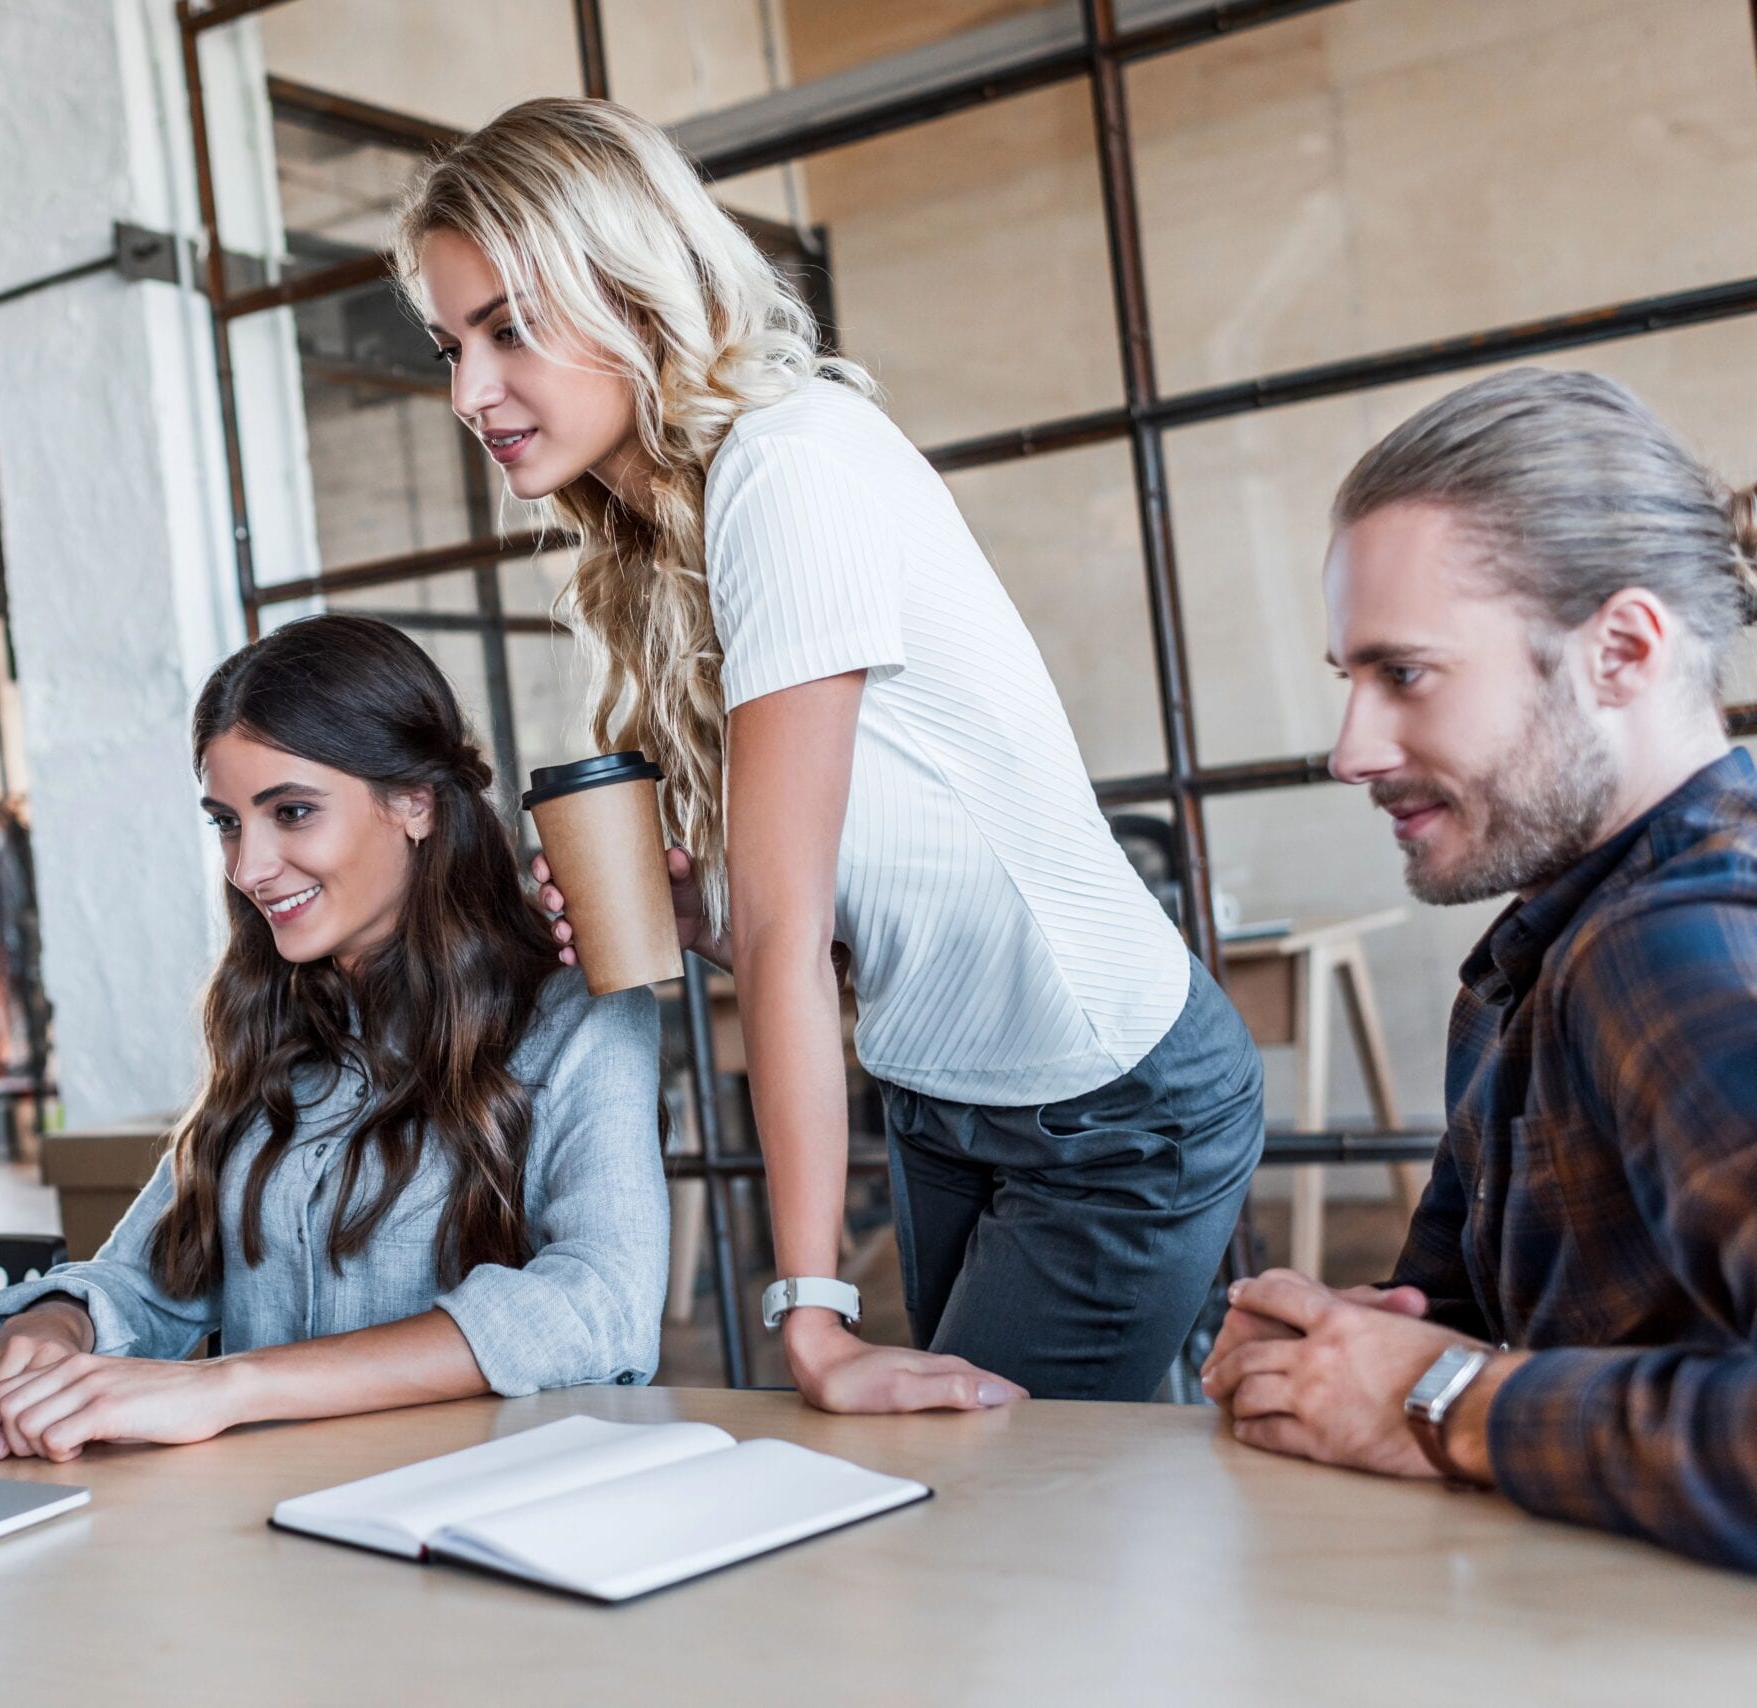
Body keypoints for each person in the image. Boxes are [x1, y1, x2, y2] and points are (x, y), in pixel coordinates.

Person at [392, 99, 1262, 1407]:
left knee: (1003, 1500)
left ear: (633, 290)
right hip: (945, 1093)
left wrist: (811, 1316)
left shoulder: (787, 466)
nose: (468, 392)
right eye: (450, 345)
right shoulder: (669, 537)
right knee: (1060, 1498)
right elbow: (839, 925)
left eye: (510, 328)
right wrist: (704, 916)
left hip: (1107, 1097)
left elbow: (791, 938)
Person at [1202, 368, 1757, 1571]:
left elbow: (1453, 1383)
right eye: (1347, 680)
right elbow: (1463, 1322)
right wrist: (1339, 1352)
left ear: (1620, 650)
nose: (1350, 750)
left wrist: (1446, 1401)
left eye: (1403, 673)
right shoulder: (1536, 952)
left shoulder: (1674, 946)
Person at [0, 615, 664, 1463]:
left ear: (415, 802)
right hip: (271, 1510)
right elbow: (151, 1277)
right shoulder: (272, 1021)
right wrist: (54, 1326)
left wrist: (231, 1386)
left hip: (486, 1507)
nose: (247, 868)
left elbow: (598, 1301)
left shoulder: (576, 1018)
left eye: (292, 812)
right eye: (226, 822)